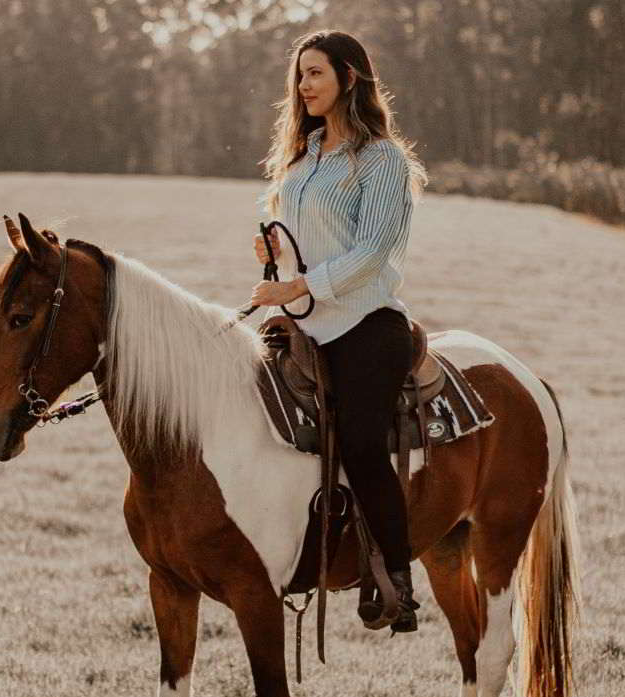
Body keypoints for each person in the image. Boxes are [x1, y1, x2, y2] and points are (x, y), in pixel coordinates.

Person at [250, 30, 428, 633]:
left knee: (359, 444)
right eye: (299, 75)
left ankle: (398, 583)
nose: (303, 86)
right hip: (306, 327)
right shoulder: (303, 158)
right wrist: (274, 252)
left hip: (365, 327)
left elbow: (375, 251)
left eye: (316, 73)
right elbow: (298, 239)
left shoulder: (383, 160)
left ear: (350, 78)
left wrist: (299, 286)